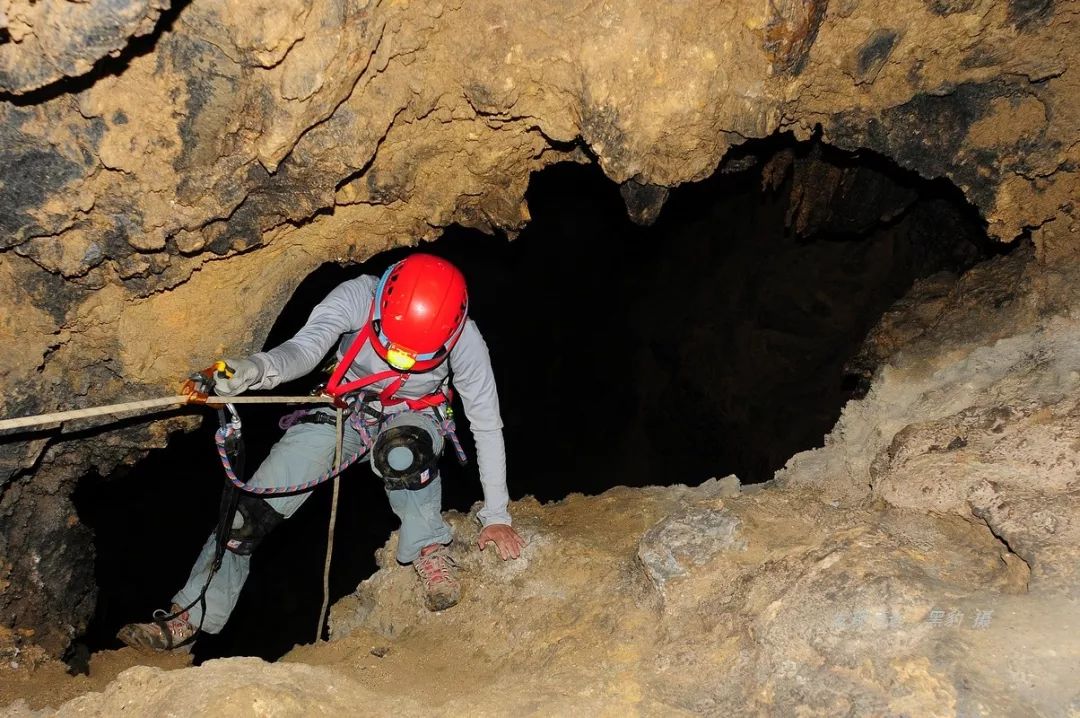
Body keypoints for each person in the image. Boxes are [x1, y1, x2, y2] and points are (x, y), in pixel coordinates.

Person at [118, 253, 525, 651]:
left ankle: (429, 550)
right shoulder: (355, 297)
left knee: (403, 452)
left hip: (413, 419)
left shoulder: (465, 339)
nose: (404, 363)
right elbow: (305, 350)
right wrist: (250, 370)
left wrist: (497, 515)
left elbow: (486, 423)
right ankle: (191, 613)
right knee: (246, 518)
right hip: (343, 409)